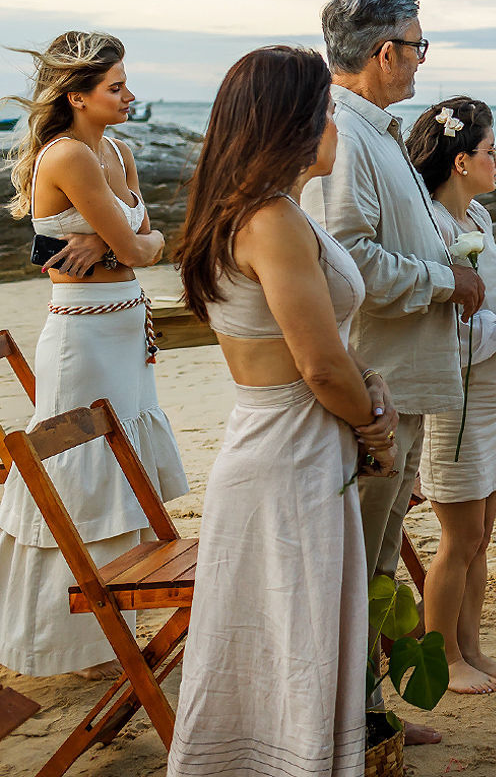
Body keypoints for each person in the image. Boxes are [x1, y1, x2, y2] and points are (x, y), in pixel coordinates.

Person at [168, 46, 397, 777]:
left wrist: (371, 390)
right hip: (286, 448)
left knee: (287, 626)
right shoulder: (270, 219)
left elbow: (328, 351)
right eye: (326, 109)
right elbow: (319, 366)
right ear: (292, 121)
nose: (335, 123)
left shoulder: (273, 210)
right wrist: (375, 426)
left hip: (287, 441)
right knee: (288, 629)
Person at [301, 0, 483, 746]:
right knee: (363, 564)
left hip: (404, 379)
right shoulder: (342, 135)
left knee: (379, 562)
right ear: (386, 53)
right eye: (417, 46)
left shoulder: (376, 132)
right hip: (379, 382)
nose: (419, 60)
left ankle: (371, 714)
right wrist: (448, 278)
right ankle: (355, 722)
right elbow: (350, 258)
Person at [0, 31, 187, 679]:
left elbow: (151, 243)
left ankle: (115, 628)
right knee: (81, 476)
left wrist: (121, 245)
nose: (130, 95)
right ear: (77, 96)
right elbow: (139, 249)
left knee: (123, 474)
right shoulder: (69, 156)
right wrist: (128, 246)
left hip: (126, 329)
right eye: (116, 87)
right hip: (81, 337)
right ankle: (71, 647)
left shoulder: (119, 151)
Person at [406, 97, 496, 695]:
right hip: (454, 401)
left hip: (489, 396)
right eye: (492, 151)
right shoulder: (432, 230)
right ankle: (441, 661)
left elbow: (487, 297)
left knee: (481, 537)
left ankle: (471, 648)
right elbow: (441, 326)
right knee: (457, 539)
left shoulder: (479, 222)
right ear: (461, 160)